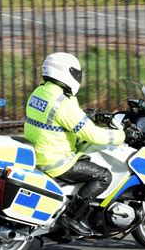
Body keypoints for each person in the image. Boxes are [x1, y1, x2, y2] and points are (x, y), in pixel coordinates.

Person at [23, 52, 126, 236]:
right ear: (66, 73)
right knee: (103, 176)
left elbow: (59, 123)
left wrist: (89, 116)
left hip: (37, 154)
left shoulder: (40, 92)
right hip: (57, 161)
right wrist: (121, 136)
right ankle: (73, 217)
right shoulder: (63, 102)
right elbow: (94, 135)